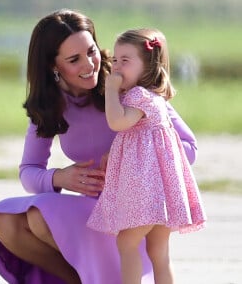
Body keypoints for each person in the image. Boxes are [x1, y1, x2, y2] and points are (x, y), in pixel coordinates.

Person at [0, 9, 198, 284]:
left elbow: (189, 147)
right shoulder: (50, 105)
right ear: (53, 66)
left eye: (91, 51)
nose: (90, 65)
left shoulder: (125, 84)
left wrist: (130, 156)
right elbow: (28, 171)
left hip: (133, 217)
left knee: (38, 217)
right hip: (93, 215)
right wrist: (60, 177)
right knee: (4, 222)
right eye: (74, 59)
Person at [86, 28, 207, 284]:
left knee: (127, 242)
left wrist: (110, 90)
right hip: (162, 192)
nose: (117, 67)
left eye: (125, 61)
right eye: (115, 60)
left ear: (148, 66)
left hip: (147, 193)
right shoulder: (155, 98)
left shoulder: (138, 96)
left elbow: (117, 123)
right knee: (159, 251)